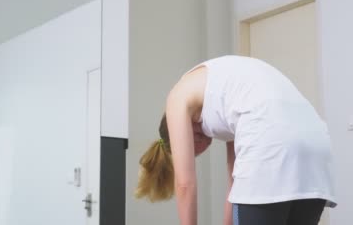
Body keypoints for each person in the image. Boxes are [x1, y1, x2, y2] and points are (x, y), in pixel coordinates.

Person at [136, 55, 336, 225]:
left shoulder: (177, 98)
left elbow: (185, 184)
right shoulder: (227, 100)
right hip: (316, 144)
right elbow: (234, 180)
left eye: (195, 148)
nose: (204, 147)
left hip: (270, 141)